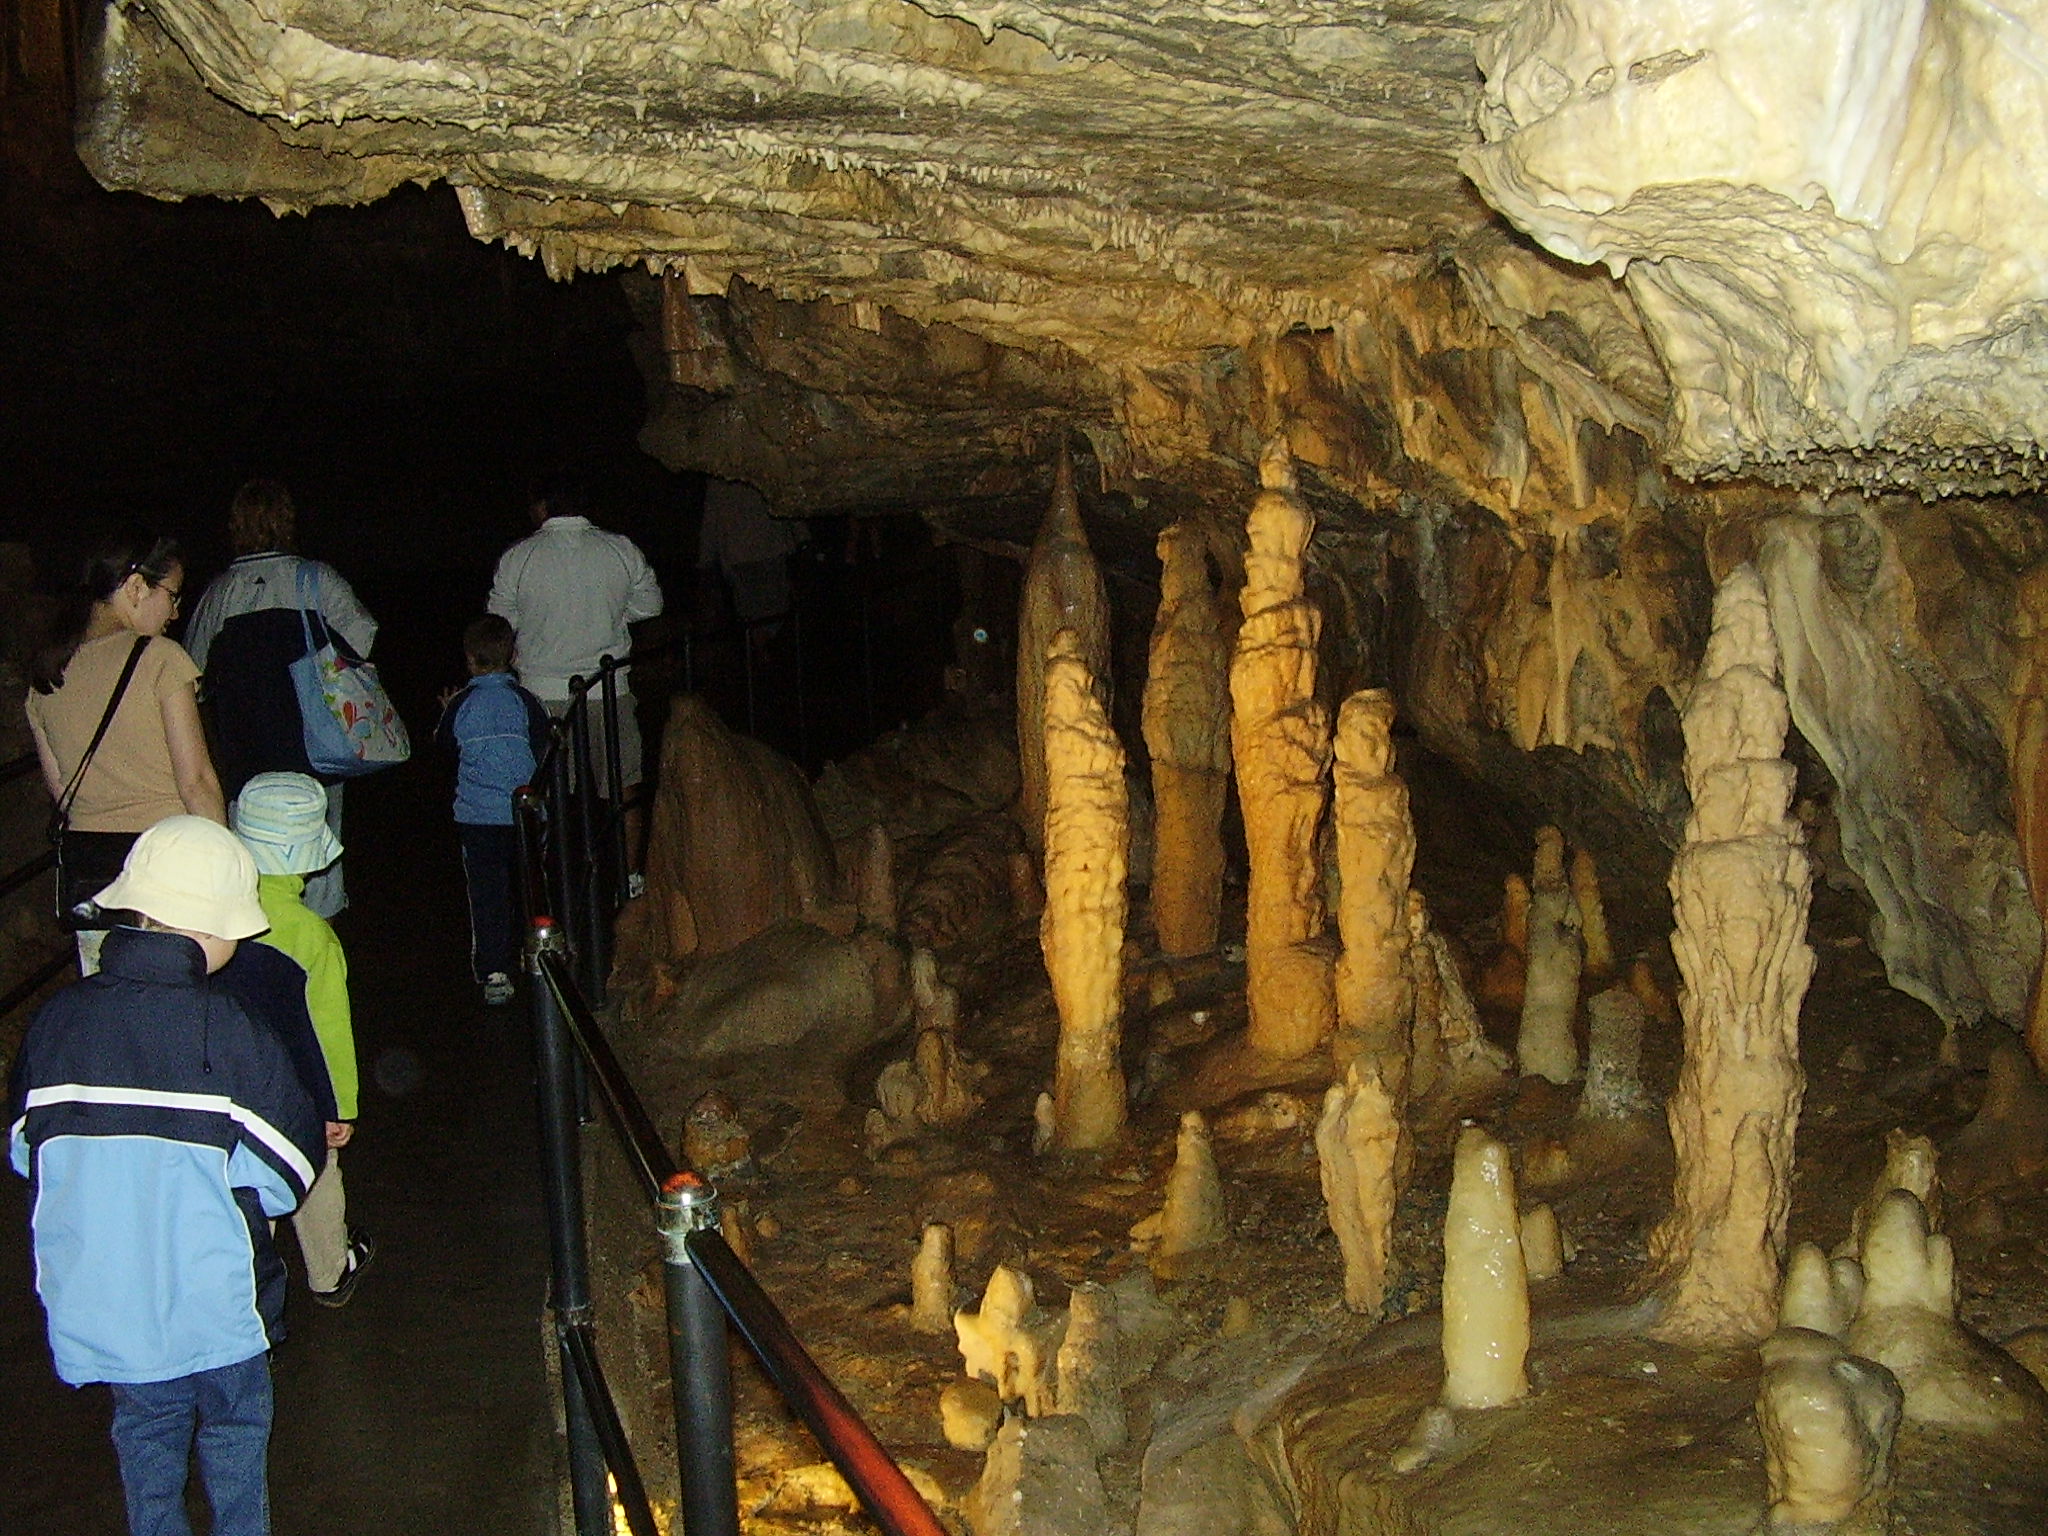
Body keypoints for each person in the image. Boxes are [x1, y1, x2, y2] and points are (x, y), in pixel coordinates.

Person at [7, 816, 324, 1536]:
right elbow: (288, 1171)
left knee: (146, 1433)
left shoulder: (57, 1021)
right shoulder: (230, 1028)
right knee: (235, 1432)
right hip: (215, 1303)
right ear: (213, 931)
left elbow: (27, 1152)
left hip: (110, 1303)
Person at [26, 531, 227, 973]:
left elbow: (63, 794)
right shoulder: (161, 659)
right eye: (172, 595)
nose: (175, 612)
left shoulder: (47, 677)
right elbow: (196, 783)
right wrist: (226, 867)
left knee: (110, 995)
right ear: (136, 587)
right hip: (166, 870)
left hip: (93, 880)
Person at [184, 478, 378, 920]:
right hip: (316, 746)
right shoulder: (315, 579)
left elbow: (192, 672)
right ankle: (317, 944)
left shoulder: (222, 591)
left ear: (236, 526)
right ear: (287, 521)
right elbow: (363, 638)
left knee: (254, 864)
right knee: (319, 862)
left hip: (246, 753)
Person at [231, 771, 377, 1304]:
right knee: (315, 1174)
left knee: (244, 1187)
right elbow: (330, 1030)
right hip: (296, 1097)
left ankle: (246, 1294)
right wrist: (339, 1107)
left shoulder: (213, 917)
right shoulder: (313, 937)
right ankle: (330, 1271)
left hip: (229, 1089)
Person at [487, 472, 662, 879]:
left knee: (542, 792)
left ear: (542, 507)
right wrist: (614, 613)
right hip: (608, 689)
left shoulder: (520, 556)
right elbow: (650, 605)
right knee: (622, 786)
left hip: (541, 695)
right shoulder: (619, 548)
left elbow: (500, 622)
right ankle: (630, 878)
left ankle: (547, 882)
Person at [436, 615, 551, 1006]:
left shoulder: (462, 705)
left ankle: (495, 972)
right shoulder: (526, 701)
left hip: (478, 818)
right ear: (513, 656)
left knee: (488, 894)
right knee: (531, 885)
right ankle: (541, 955)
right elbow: (543, 746)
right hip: (523, 815)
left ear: (470, 660)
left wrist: (448, 712)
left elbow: (445, 747)